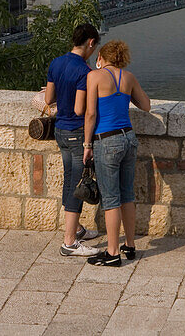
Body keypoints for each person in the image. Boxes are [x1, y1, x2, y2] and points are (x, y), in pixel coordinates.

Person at [77, 39, 150, 267]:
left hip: (106, 140)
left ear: (101, 58)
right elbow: (146, 105)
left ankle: (112, 253)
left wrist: (87, 145)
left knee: (110, 199)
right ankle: (130, 245)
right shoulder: (128, 77)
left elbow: (90, 114)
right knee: (127, 195)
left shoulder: (95, 77)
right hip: (128, 137)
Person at [43, 23, 101, 257]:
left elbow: (48, 98)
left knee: (69, 180)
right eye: (95, 46)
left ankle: (75, 229)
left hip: (60, 131)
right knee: (77, 184)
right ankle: (69, 242)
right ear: (90, 42)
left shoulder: (56, 62)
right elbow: (80, 109)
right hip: (77, 133)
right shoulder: (84, 72)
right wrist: (88, 142)